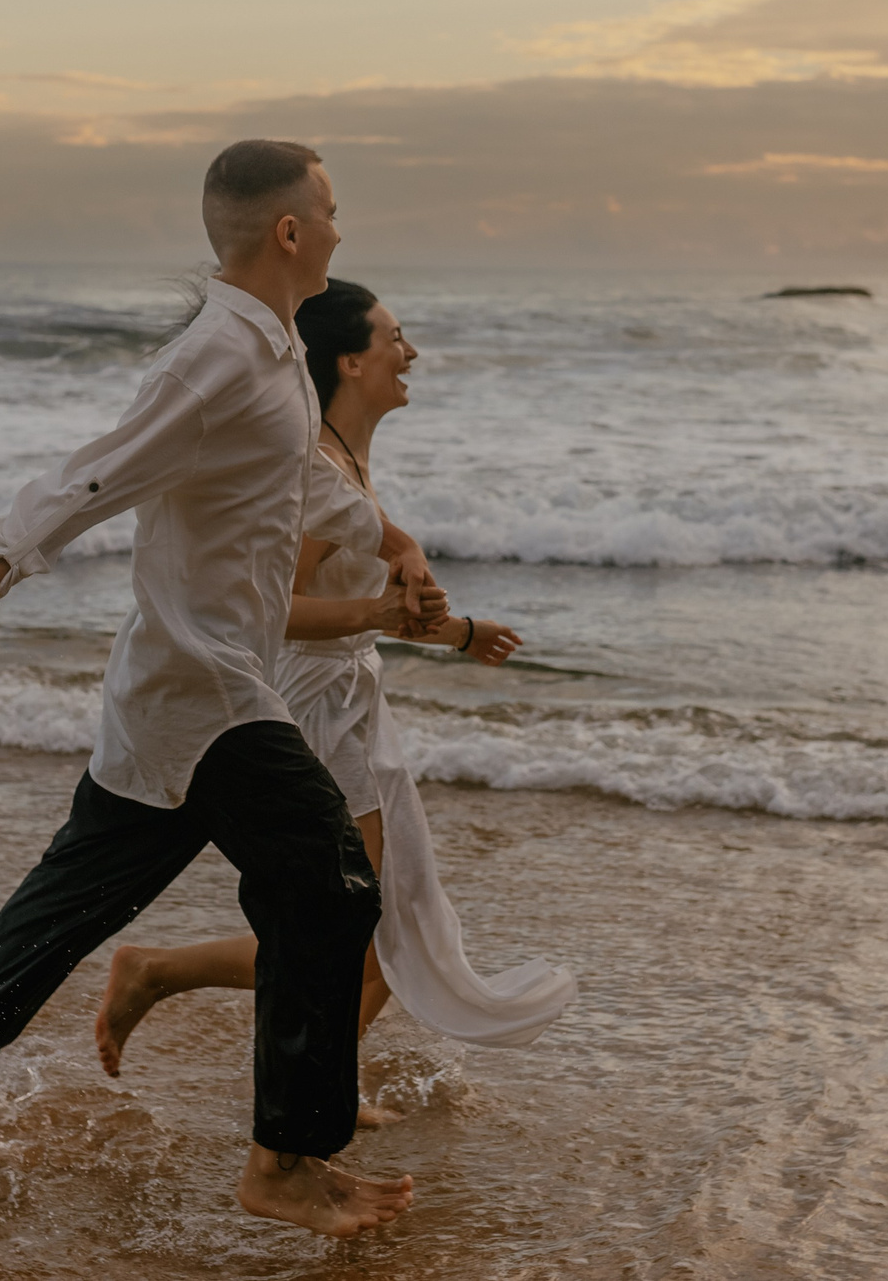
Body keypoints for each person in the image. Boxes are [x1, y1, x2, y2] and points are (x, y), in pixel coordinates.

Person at [0, 142, 443, 1238]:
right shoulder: (214, 356)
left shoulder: (269, 354)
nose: (336, 226)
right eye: (328, 210)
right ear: (287, 231)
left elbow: (305, 483)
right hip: (206, 689)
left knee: (64, 909)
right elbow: (93, 475)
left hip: (189, 693)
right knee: (330, 886)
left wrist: (398, 552)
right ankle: (285, 1163)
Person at [91, 280, 578, 1109]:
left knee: (400, 922)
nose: (410, 351)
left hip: (356, 699)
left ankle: (321, 1081)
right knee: (357, 920)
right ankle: (162, 974)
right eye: (396, 336)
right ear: (351, 360)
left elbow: (366, 609)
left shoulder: (348, 463)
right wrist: (386, 610)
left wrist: (456, 631)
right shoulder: (313, 471)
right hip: (313, 705)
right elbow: (273, 613)